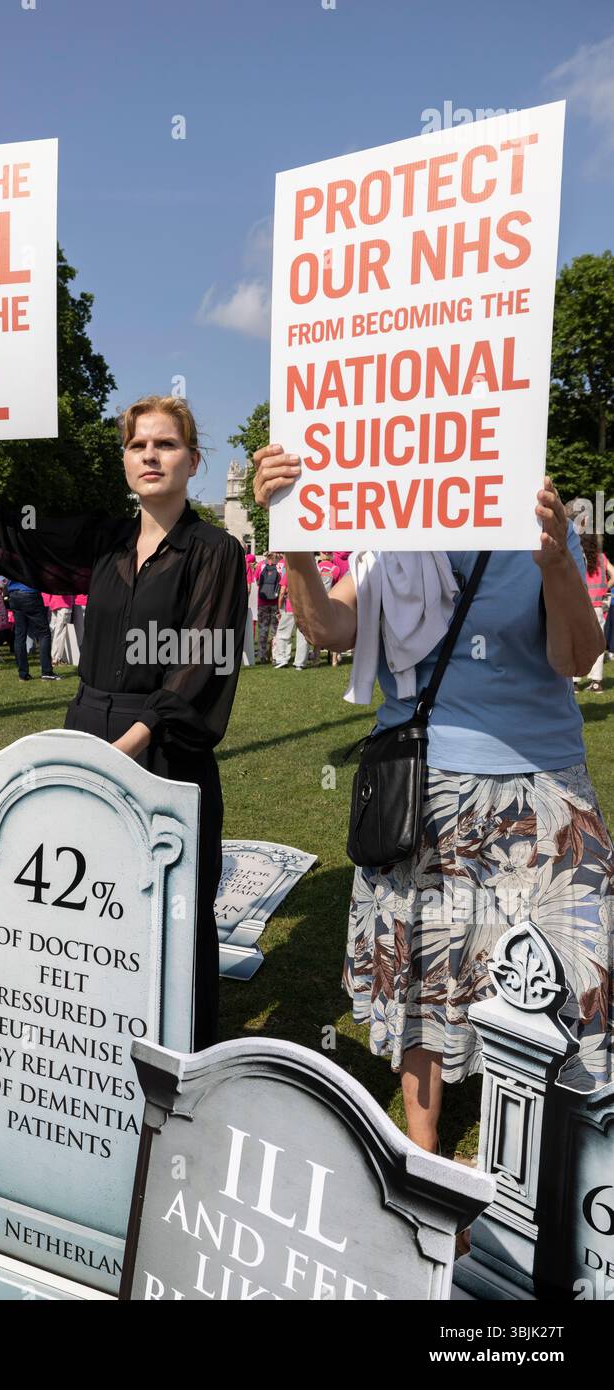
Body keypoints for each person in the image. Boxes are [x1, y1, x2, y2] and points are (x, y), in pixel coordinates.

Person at [254, 443, 612, 1152]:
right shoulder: (389, 529)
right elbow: (329, 629)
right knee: (426, 968)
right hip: (422, 789)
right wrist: (292, 549)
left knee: (575, 970)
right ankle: (423, 1146)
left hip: (540, 787)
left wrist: (554, 565)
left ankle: (564, 1135)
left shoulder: (540, 522)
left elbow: (578, 658)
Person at [0, 395, 248, 1048]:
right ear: (124, 460)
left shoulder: (214, 550)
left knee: (172, 923)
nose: (149, 455)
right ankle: (96, 1052)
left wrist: (133, 740)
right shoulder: (103, 540)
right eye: (137, 445)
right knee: (93, 913)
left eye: (165, 444)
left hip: (161, 754)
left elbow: (200, 660)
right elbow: (3, 534)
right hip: (88, 736)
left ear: (193, 460)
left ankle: (178, 1071)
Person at [575, 530, 614, 693]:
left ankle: (574, 682)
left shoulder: (576, 557)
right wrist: (605, 587)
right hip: (597, 606)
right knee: (597, 646)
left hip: (579, 605)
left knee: (577, 644)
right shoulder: (602, 558)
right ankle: (596, 682)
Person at [7, 580, 57, 682]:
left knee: (20, 635)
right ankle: (47, 672)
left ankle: (23, 674)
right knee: (44, 633)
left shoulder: (13, 563)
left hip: (13, 594)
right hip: (29, 593)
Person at [254, 552, 281, 663]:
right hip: (275, 603)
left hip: (262, 603)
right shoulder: (279, 568)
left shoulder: (260, 566)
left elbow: (257, 581)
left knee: (263, 630)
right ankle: (275, 656)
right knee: (275, 631)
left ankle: (263, 656)